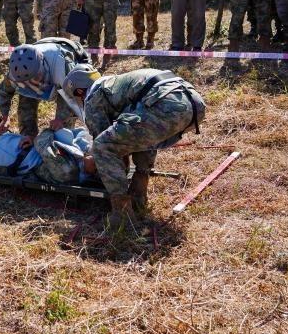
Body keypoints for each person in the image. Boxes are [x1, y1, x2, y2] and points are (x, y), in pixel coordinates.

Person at [62, 66, 205, 234]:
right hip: (194, 104)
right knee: (139, 135)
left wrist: (95, 163)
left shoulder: (93, 98)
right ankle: (138, 196)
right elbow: (132, 140)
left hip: (166, 105)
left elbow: (108, 147)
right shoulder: (114, 84)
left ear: (80, 91)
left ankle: (122, 216)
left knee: (102, 146)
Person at [0, 38, 91, 139]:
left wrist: (61, 119)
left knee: (62, 126)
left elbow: (73, 99)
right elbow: (4, 92)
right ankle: (28, 138)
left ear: (42, 66)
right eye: (27, 82)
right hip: (44, 55)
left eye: (34, 79)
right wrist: (5, 116)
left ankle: (64, 143)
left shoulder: (62, 67)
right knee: (25, 103)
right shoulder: (15, 72)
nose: (32, 84)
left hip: (69, 68)